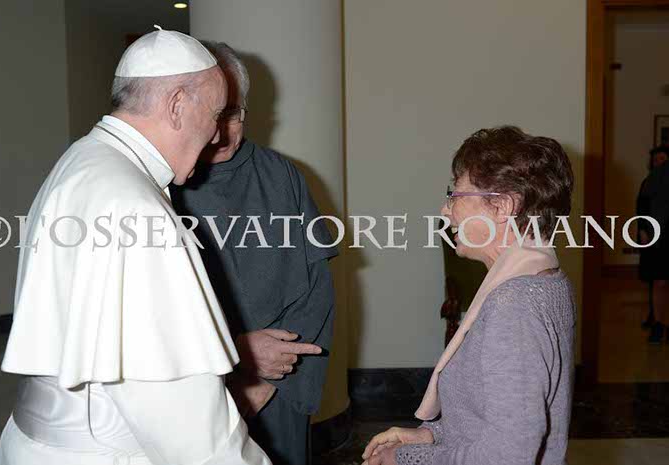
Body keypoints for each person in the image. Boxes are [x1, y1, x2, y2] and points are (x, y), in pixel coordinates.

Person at [0, 28, 270, 465]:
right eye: (216, 114)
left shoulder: (84, 160)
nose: (218, 135)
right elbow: (183, 419)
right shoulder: (137, 207)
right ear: (177, 105)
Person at [362, 126, 576, 465]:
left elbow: (509, 456)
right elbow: (495, 417)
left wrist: (406, 459)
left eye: (455, 195)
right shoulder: (542, 279)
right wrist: (430, 435)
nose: (445, 210)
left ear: (503, 206)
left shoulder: (515, 304)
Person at [171, 41, 337, 465]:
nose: (222, 132)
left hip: (280, 379)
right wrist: (236, 353)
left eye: (233, 114)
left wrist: (268, 384)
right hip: (194, 383)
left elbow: (317, 290)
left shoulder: (283, 175)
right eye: (214, 115)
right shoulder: (161, 182)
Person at [636, 145, 669, 343]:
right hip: (655, 235)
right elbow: (641, 208)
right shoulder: (648, 182)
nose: (660, 164)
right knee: (658, 280)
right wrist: (642, 231)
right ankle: (658, 322)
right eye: (656, 160)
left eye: (663, 159)